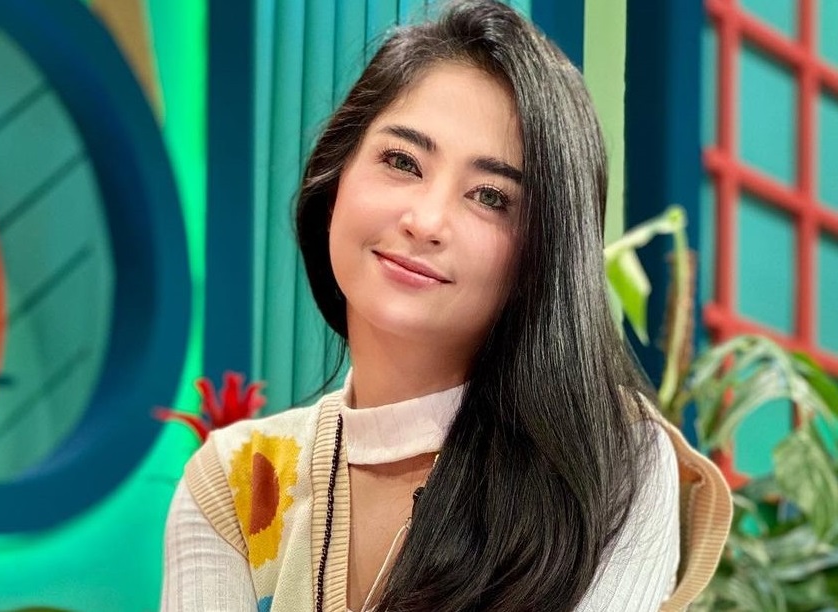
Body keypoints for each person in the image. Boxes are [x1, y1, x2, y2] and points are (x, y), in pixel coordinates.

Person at [161, 1, 732, 610]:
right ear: (335, 178)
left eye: (490, 197)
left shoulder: (609, 468)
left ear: (544, 253)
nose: (427, 221)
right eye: (402, 161)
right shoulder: (236, 485)